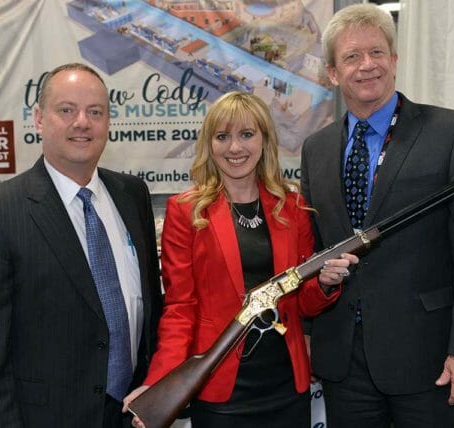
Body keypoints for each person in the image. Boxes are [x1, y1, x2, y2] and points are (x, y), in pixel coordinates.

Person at [300, 4, 454, 428]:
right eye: (352, 56)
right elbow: (314, 248)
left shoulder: (452, 133)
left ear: (394, 60)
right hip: (342, 362)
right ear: (333, 73)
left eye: (377, 52)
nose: (367, 65)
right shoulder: (315, 149)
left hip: (429, 358)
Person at [123, 91, 358, 428]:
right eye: (223, 137)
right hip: (219, 387)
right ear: (210, 144)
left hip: (286, 385)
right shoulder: (187, 211)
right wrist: (160, 381)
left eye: (247, 134)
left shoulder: (292, 207)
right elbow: (179, 309)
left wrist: (323, 283)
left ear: (264, 140)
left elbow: (303, 304)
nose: (235, 148)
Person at [0, 63, 163, 427]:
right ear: (38, 119)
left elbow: (151, 312)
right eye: (66, 110)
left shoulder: (132, 195)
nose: (82, 122)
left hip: (132, 414)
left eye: (95, 112)